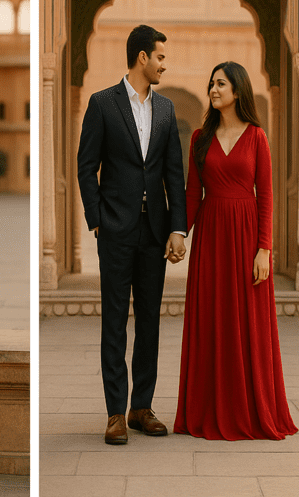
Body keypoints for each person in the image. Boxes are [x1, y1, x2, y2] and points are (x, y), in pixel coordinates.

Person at [174, 61, 297, 441]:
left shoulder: (257, 137)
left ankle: (249, 407)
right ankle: (209, 407)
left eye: (221, 84)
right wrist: (179, 233)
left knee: (247, 324)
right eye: (211, 83)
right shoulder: (200, 138)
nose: (213, 89)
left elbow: (266, 196)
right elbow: (193, 192)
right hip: (211, 238)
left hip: (246, 238)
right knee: (212, 319)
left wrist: (264, 249)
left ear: (237, 91)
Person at [76, 24, 187, 445]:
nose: (163, 65)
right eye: (160, 57)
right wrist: (97, 219)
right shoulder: (102, 103)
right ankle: (114, 413)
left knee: (150, 321)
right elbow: (86, 165)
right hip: (115, 229)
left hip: (154, 231)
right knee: (114, 321)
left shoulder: (167, 110)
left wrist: (177, 228)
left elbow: (173, 174)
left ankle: (141, 407)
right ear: (142, 57)